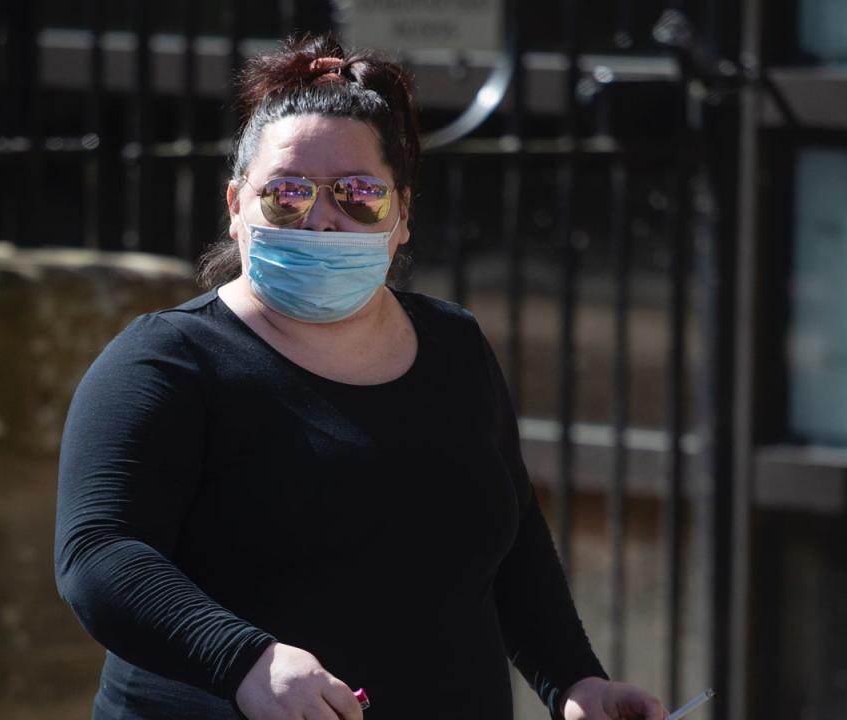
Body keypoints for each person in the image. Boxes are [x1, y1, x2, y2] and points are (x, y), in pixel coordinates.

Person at [54, 33, 669, 720]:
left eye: (358, 195)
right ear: (235, 207)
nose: (320, 217)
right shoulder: (165, 364)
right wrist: (246, 660)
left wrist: (575, 681)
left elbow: (513, 540)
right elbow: (99, 555)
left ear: (402, 215)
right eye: (286, 193)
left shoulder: (453, 344)